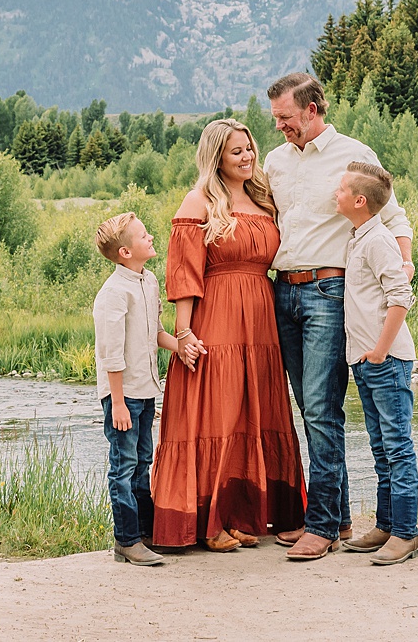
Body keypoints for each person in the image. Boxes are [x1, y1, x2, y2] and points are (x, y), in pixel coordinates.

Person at [264, 73, 413, 562]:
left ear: (312, 109)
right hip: (282, 291)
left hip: (330, 292)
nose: (281, 127)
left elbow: (394, 217)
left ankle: (322, 524)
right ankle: (341, 515)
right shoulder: (275, 162)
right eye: (276, 120)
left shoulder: (354, 154)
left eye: (286, 117)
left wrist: (402, 265)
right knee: (310, 409)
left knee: (323, 408)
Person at [150, 119, 306, 551]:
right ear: (216, 155)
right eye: (237, 151)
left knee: (250, 413)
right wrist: (183, 334)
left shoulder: (263, 197)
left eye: (250, 148)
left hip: (261, 316)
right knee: (217, 412)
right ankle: (208, 522)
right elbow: (184, 271)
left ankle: (240, 515)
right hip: (216, 314)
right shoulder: (199, 200)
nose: (247, 157)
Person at [334, 162, 418, 565]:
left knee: (398, 447)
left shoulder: (379, 240)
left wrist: (382, 351)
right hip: (365, 361)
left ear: (359, 201)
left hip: (386, 360)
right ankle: (386, 527)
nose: (335, 194)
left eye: (340, 189)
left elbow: (400, 297)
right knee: (381, 447)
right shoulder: (358, 237)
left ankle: (406, 534)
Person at [92, 212, 182, 567]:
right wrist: (117, 404)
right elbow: (110, 355)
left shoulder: (148, 282)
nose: (151, 238)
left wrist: (181, 346)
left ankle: (144, 534)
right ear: (125, 252)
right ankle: (126, 540)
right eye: (144, 236)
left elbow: (154, 333)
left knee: (143, 462)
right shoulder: (113, 293)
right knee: (123, 466)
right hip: (122, 396)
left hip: (145, 392)